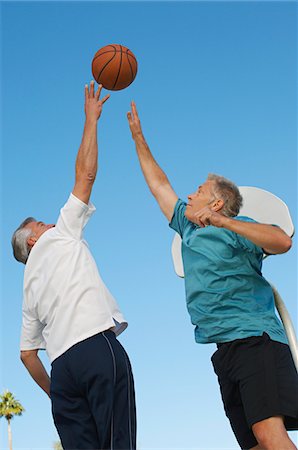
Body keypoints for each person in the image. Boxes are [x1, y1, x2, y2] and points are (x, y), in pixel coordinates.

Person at [127, 101, 298, 450]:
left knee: (269, 435)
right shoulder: (187, 229)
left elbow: (282, 241)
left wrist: (224, 223)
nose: (189, 195)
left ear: (216, 204)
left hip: (255, 337)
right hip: (224, 349)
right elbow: (159, 185)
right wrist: (138, 137)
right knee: (252, 445)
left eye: (199, 191)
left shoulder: (238, 228)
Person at [12, 82, 136, 450]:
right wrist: (91, 119)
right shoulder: (59, 236)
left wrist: (57, 392)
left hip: (63, 371)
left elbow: (27, 355)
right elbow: (85, 176)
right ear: (33, 240)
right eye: (40, 225)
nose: (48, 223)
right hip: (94, 347)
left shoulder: (28, 287)